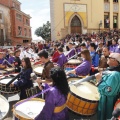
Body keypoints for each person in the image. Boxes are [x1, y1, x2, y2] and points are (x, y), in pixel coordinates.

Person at [95, 53, 120, 120]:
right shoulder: (112, 70)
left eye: (109, 57)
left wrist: (99, 80)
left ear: (115, 61)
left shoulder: (115, 74)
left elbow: (109, 91)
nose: (107, 58)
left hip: (107, 102)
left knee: (105, 117)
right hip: (104, 99)